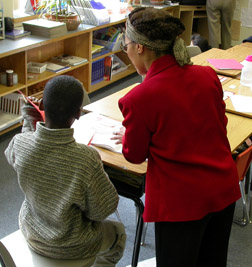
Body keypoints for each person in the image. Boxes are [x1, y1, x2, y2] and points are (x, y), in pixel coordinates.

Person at [113, 7, 241, 267]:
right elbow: (220, 124)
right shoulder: (207, 76)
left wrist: (130, 134)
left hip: (181, 205)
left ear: (140, 48)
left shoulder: (139, 99)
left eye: (125, 45)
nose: (125, 51)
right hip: (222, 191)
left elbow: (134, 155)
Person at [4, 75, 126, 266]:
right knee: (118, 235)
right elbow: (103, 210)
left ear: (42, 104)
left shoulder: (19, 144)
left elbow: (21, 149)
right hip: (73, 247)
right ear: (78, 114)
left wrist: (30, 117)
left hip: (33, 234)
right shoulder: (86, 158)